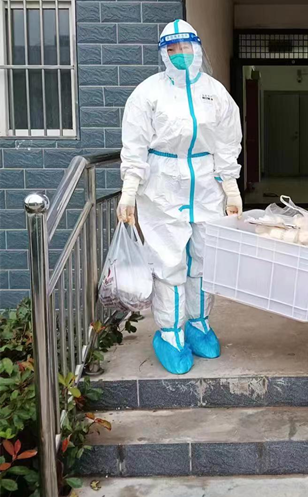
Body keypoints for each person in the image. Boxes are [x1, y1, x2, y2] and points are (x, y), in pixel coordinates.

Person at [118, 20, 243, 375]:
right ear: (163, 54)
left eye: (185, 47)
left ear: (197, 49)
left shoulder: (215, 93)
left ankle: (199, 323)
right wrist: (129, 191)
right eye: (171, 49)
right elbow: (135, 146)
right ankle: (170, 333)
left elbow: (227, 143)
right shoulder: (147, 94)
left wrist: (231, 188)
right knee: (170, 263)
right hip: (162, 188)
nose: (179, 55)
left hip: (205, 185)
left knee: (204, 258)